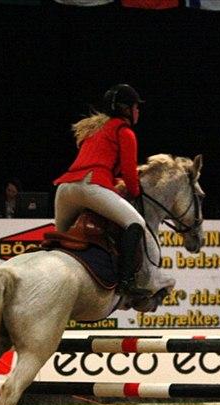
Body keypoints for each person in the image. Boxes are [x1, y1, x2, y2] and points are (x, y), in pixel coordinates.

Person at [53, 83, 149, 296]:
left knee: (59, 240)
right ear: (126, 109)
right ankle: (126, 282)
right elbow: (129, 174)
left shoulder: (95, 130)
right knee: (136, 223)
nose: (138, 110)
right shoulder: (124, 132)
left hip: (65, 190)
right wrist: (135, 193)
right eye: (135, 107)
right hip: (91, 186)